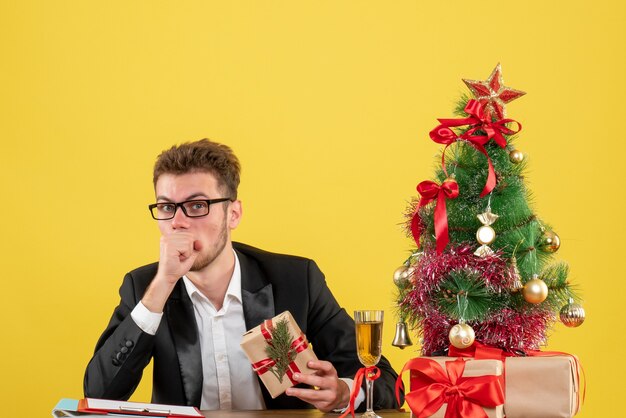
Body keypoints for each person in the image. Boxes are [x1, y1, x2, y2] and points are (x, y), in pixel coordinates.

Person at [84, 139, 401, 411]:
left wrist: (344, 393)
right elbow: (99, 394)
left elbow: (388, 384)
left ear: (233, 214)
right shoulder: (144, 287)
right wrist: (162, 286)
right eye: (167, 207)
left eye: (197, 205)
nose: (178, 222)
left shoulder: (295, 280)